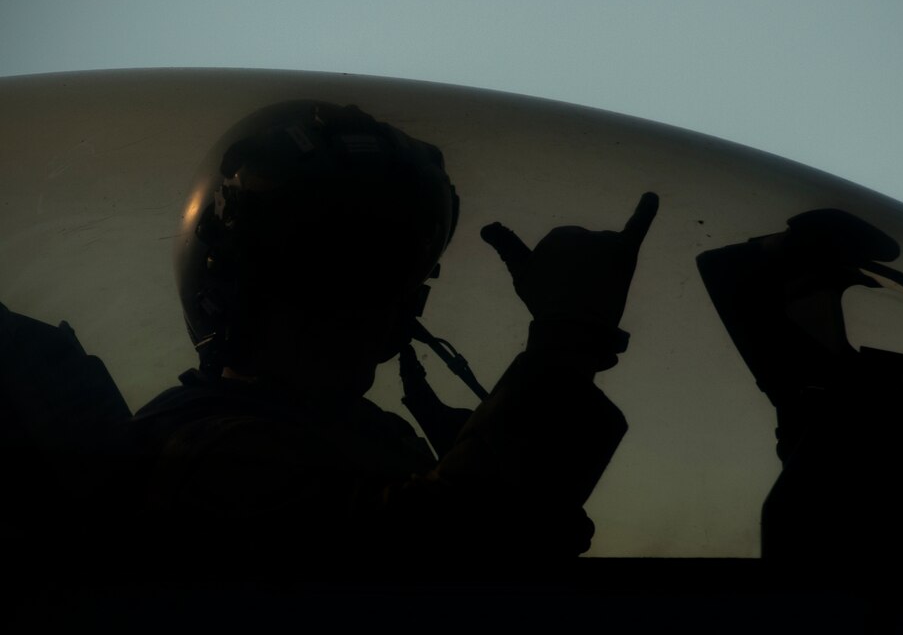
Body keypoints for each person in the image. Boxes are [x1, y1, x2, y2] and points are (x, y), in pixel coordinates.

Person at [110, 101, 658, 578]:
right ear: (238, 285)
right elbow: (434, 562)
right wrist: (565, 346)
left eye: (388, 271)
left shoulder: (365, 440)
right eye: (333, 269)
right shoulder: (207, 454)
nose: (370, 302)